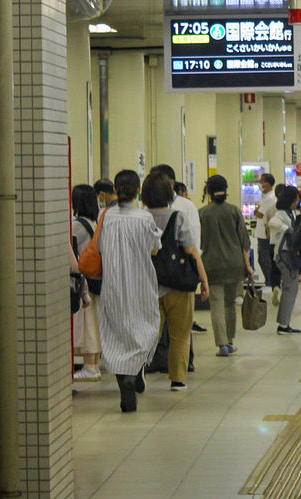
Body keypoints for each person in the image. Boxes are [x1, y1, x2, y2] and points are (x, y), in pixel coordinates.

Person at [97, 170, 162, 413]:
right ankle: (136, 371)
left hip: (113, 283)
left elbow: (101, 248)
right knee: (144, 327)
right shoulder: (144, 218)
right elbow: (155, 249)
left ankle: (123, 377)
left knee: (115, 332)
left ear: (115, 189)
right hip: (141, 282)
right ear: (138, 191)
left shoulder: (106, 216)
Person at [142, 172, 209, 390]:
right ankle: (178, 379)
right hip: (178, 286)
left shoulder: (139, 218)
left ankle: (140, 369)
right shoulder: (178, 217)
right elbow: (191, 251)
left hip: (147, 285)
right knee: (180, 334)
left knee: (147, 334)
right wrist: (204, 280)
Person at [198, 174, 254, 356]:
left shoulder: (202, 213)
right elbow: (244, 242)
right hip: (234, 264)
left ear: (208, 192)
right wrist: (248, 265)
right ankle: (230, 341)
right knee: (230, 304)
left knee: (216, 306)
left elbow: (198, 242)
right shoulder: (234, 211)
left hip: (211, 265)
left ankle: (221, 344)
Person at [71, 184, 102, 381]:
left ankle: (90, 367)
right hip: (97, 278)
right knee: (95, 323)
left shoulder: (77, 225)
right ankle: (94, 364)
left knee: (88, 324)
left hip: (86, 280)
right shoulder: (94, 222)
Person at [266, 187, 301, 334]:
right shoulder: (280, 214)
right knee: (290, 288)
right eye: (296, 199)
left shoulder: (292, 213)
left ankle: (284, 322)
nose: (298, 202)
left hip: (290, 254)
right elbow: (272, 223)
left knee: (291, 288)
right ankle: (283, 324)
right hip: (284, 254)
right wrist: (286, 229)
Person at [253, 173, 280, 298]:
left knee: (265, 258)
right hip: (262, 232)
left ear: (268, 184)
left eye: (262, 182)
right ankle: (268, 282)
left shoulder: (270, 198)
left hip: (265, 234)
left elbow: (260, 214)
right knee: (262, 258)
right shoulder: (267, 197)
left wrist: (256, 211)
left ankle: (270, 282)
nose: (260, 184)